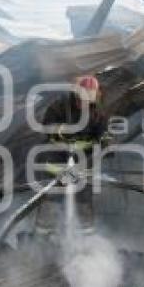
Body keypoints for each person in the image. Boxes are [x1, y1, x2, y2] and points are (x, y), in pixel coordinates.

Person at [34, 75, 107, 232]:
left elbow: (102, 138)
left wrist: (104, 140)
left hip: (83, 160)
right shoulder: (59, 106)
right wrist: (62, 131)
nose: (84, 104)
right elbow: (47, 128)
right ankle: (43, 236)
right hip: (57, 158)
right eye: (81, 100)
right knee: (52, 198)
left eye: (88, 101)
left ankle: (86, 238)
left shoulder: (97, 113)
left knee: (84, 198)